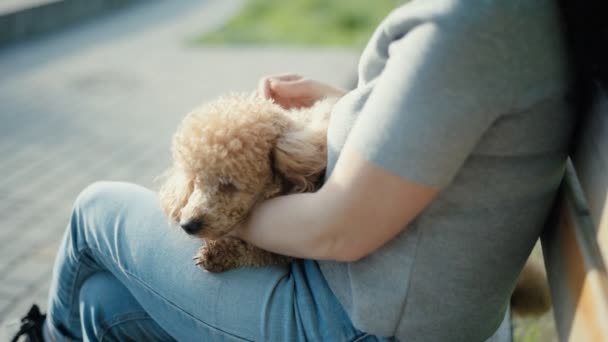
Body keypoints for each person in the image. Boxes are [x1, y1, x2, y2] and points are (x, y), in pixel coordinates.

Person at [11, 0, 598, 340]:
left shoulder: (475, 26)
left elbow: (336, 231)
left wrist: (214, 215)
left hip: (360, 322)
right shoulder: (504, 20)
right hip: (389, 302)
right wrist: (347, 105)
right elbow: (450, 138)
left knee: (95, 210)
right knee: (104, 301)